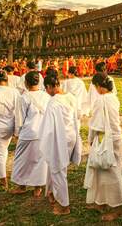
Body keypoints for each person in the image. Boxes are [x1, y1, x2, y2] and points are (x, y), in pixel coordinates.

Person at [84, 73, 122, 221]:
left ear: (98, 86)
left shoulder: (101, 100)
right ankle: (101, 202)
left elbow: (95, 124)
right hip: (115, 137)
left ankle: (116, 207)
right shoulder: (113, 97)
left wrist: (90, 139)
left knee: (111, 172)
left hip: (105, 138)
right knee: (102, 171)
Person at [39, 75, 82, 215]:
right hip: (70, 135)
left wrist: (43, 140)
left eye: (46, 89)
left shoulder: (54, 102)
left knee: (58, 168)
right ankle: (51, 191)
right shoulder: (71, 97)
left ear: (50, 87)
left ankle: (64, 205)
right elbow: (78, 115)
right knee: (55, 165)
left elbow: (47, 126)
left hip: (59, 137)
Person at [10, 71, 50, 197]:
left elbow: (20, 118)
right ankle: (38, 187)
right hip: (43, 132)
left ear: (26, 83)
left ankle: (22, 185)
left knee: (22, 160)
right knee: (40, 160)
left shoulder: (24, 97)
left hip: (28, 132)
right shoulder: (46, 96)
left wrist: (16, 134)